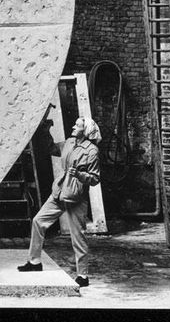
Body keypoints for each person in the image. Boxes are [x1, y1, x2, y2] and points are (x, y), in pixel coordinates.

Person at [18, 116, 102, 287]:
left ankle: (83, 276)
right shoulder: (70, 142)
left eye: (77, 125)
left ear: (85, 131)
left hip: (76, 198)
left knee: (78, 236)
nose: (73, 126)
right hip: (59, 191)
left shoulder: (92, 151)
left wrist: (79, 175)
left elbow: (94, 179)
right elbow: (51, 148)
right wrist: (45, 129)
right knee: (38, 221)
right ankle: (34, 262)